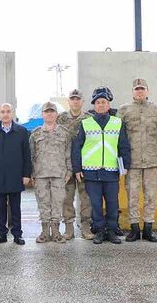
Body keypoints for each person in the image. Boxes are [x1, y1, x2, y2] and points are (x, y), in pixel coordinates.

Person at [71, 86, 131, 245]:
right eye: (98, 102)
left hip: (111, 171)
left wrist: (125, 166)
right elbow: (77, 147)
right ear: (94, 105)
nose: (101, 105)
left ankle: (111, 231)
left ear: (108, 104)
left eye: (104, 102)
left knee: (112, 203)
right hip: (91, 172)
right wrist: (77, 169)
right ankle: (99, 230)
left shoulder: (117, 123)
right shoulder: (86, 124)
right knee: (96, 204)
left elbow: (123, 146)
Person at [118, 78, 157, 243]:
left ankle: (148, 228)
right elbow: (118, 137)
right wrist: (121, 161)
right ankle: (134, 229)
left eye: (142, 89)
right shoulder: (124, 110)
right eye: (137, 89)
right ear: (132, 92)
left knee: (151, 196)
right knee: (132, 195)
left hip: (152, 162)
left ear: (148, 91)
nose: (139, 91)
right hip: (132, 162)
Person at [0, 103, 32, 245]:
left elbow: (26, 155)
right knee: (0, 207)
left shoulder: (22, 131)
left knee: (16, 207)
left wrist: (26, 174)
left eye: (8, 111)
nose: (5, 114)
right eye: (2, 112)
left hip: (16, 175)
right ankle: (1, 234)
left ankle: (17, 234)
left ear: (12, 113)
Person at [29, 102, 71, 243]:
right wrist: (31, 173)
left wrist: (69, 171)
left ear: (56, 114)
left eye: (52, 111)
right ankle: (45, 232)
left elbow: (68, 153)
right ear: (42, 114)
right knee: (43, 203)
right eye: (47, 112)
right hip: (40, 174)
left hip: (59, 174)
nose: (49, 114)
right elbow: (31, 155)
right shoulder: (35, 134)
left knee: (57, 203)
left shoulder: (64, 133)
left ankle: (57, 232)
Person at [56, 88, 93, 240]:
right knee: (67, 198)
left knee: (86, 198)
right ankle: (69, 229)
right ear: (69, 101)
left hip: (85, 164)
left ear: (82, 101)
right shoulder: (60, 119)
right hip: (66, 165)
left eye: (78, 99)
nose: (75, 101)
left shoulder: (90, 119)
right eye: (72, 99)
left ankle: (85, 228)